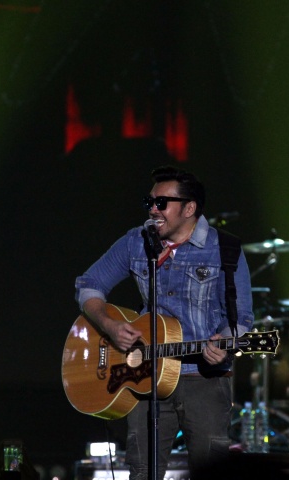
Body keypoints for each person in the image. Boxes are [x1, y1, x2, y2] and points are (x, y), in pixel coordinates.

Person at [74, 165, 254, 479]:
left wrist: (223, 345)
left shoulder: (225, 249)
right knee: (142, 471)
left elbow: (242, 319)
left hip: (204, 379)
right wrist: (109, 326)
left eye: (162, 203)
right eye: (150, 202)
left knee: (211, 470)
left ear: (189, 208)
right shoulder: (136, 242)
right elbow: (89, 284)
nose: (153, 210)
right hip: (145, 376)